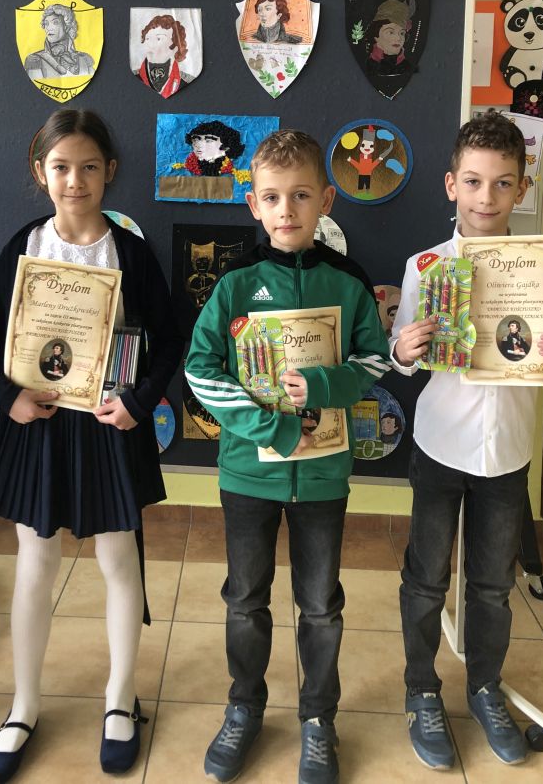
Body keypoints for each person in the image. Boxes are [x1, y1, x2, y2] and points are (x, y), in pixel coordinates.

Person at [0, 109, 182, 782]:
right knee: (35, 564)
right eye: (61, 167)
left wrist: (139, 402)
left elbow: (169, 340)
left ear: (109, 172)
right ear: (41, 172)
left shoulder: (131, 252)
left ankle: (120, 697)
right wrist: (8, 397)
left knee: (118, 560)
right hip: (37, 425)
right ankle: (23, 705)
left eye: (89, 166)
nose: (75, 180)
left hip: (108, 424)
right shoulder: (24, 245)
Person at [185, 129, 390, 784]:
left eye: (301, 195)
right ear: (254, 204)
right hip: (249, 474)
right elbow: (200, 368)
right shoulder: (236, 284)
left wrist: (325, 385)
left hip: (324, 477)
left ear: (326, 199)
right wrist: (267, 427)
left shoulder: (348, 283)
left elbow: (375, 360)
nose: (287, 209)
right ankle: (244, 707)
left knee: (321, 604)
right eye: (272, 197)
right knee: (245, 599)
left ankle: (318, 719)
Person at [390, 110, 543, 770]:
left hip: (507, 454)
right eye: (473, 181)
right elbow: (403, 358)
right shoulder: (425, 266)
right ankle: (422, 689)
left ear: (521, 188)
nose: (486, 197)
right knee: (426, 577)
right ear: (451, 184)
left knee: (493, 585)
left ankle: (484, 686)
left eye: (503, 183)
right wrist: (403, 348)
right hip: (440, 445)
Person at [24, 4, 95, 82]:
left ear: (66, 27)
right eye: (46, 24)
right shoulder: (35, 60)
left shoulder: (84, 58)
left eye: (55, 22)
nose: (49, 28)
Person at [136, 13, 189, 97]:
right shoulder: (136, 76)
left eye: (158, 38)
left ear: (175, 46)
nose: (150, 44)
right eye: (148, 38)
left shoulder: (185, 80)